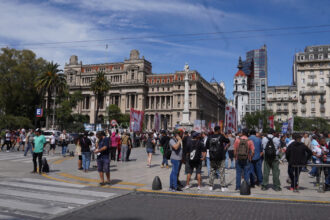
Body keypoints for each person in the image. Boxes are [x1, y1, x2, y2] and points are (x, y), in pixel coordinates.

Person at [206, 126, 230, 191]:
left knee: (212, 171)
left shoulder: (210, 137)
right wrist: (223, 134)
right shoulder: (221, 136)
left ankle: (211, 186)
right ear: (219, 130)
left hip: (212, 156)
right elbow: (228, 141)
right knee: (221, 171)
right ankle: (222, 186)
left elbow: (207, 146)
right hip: (220, 157)